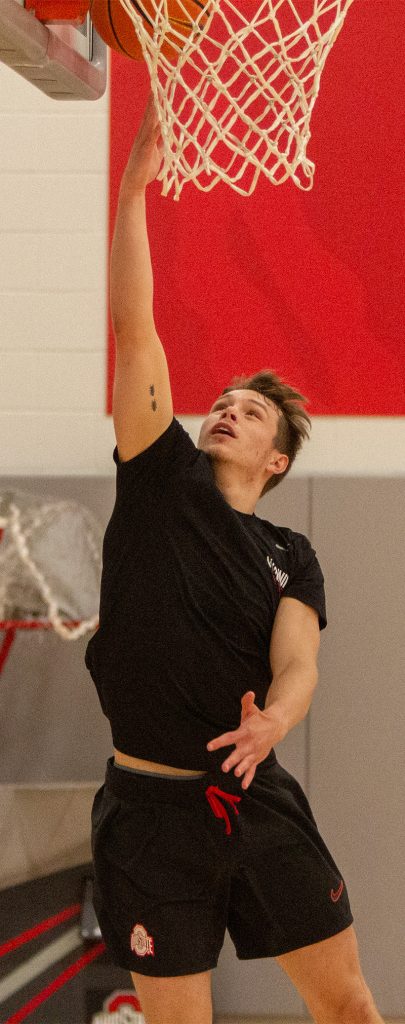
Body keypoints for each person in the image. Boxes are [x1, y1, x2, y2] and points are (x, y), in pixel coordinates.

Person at [85, 93, 384, 1024]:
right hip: (148, 812)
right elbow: (136, 327)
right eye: (221, 401)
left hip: (252, 796)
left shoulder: (290, 554)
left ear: (275, 460)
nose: (225, 410)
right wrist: (133, 192)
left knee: (347, 1006)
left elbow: (298, 664)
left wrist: (273, 724)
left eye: (249, 413)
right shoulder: (158, 474)